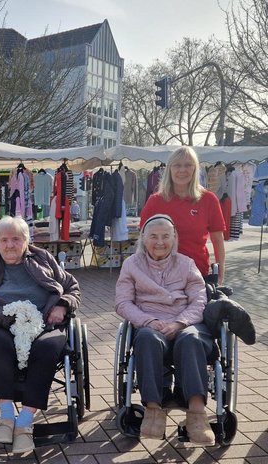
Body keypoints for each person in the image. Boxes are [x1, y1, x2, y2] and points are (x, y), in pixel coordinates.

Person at [0, 215, 80, 454]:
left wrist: (63, 305)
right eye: (4, 239)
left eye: (16, 239)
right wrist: (12, 319)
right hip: (5, 324)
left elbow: (71, 286)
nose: (10, 245)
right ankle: (6, 419)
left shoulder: (44, 259)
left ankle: (25, 423)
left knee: (47, 348)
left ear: (26, 240)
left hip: (44, 324)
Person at [115, 214, 215, 445]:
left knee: (191, 339)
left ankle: (197, 413)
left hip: (186, 324)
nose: (159, 242)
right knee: (147, 338)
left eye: (165, 236)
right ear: (143, 238)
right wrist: (147, 320)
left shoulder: (186, 264)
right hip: (150, 323)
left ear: (174, 238)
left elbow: (200, 300)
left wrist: (180, 322)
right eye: (153, 236)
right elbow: (122, 302)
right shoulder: (132, 265)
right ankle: (153, 409)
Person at [140, 146, 226, 283]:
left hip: (196, 274)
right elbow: (143, 240)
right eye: (177, 165)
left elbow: (218, 240)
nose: (182, 170)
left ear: (195, 169)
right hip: (161, 276)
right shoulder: (155, 201)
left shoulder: (208, 200)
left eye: (188, 165)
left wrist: (220, 274)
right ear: (169, 169)